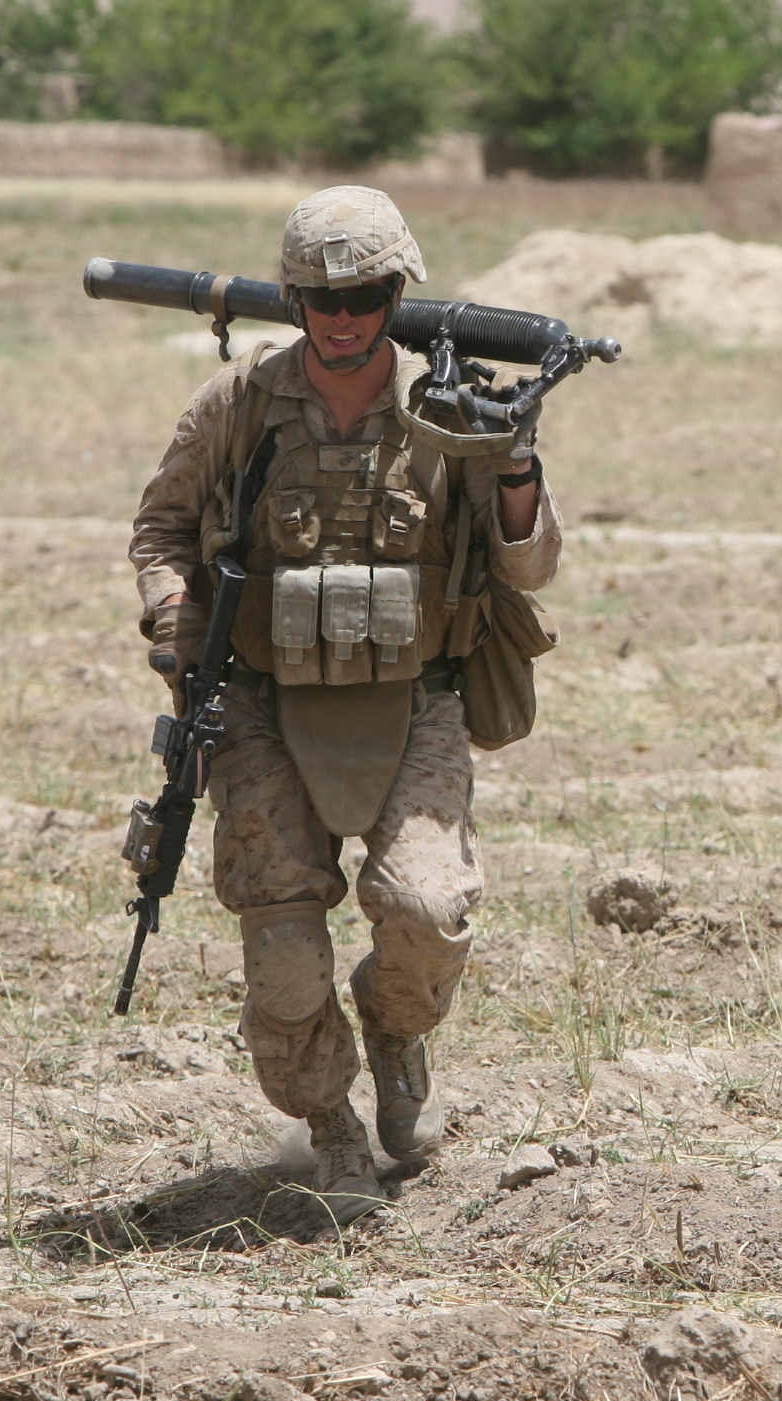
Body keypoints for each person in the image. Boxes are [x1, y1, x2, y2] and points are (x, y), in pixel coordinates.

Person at [127, 187, 559, 1215]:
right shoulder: (238, 407)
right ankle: (331, 1128)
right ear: (293, 301)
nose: (344, 316)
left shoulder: (454, 409)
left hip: (419, 700)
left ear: (397, 292)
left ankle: (398, 1036)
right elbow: (160, 535)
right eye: (321, 297)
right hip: (266, 706)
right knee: (280, 958)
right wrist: (176, 625)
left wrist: (515, 463)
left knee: (422, 911)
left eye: (365, 293)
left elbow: (532, 565)